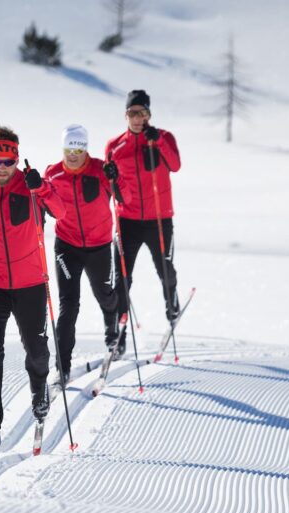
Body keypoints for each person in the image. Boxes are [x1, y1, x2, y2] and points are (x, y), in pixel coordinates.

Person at [0, 126, 66, 456]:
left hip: (31, 283)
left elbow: (62, 213)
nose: (3, 166)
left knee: (37, 349)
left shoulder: (32, 187)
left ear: (16, 158)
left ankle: (39, 388)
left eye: (8, 160)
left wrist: (44, 188)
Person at [43, 124, 130, 386]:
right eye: (69, 148)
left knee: (105, 294)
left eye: (79, 148)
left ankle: (112, 329)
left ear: (86, 149)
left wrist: (117, 178)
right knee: (68, 306)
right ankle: (62, 366)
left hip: (99, 245)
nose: (73, 154)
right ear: (63, 148)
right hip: (66, 247)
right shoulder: (53, 173)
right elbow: (45, 203)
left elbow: (123, 197)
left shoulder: (101, 170)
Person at [104, 89, 182, 357]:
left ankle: (171, 303)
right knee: (122, 278)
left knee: (165, 270)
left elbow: (175, 165)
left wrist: (158, 141)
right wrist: (110, 178)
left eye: (143, 113)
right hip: (128, 221)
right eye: (132, 113)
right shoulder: (114, 146)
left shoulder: (164, 137)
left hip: (160, 219)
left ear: (149, 114)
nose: (137, 118)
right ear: (125, 115)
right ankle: (120, 330)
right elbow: (111, 188)